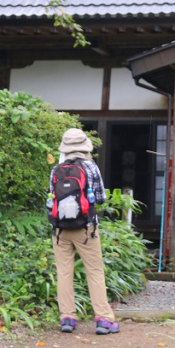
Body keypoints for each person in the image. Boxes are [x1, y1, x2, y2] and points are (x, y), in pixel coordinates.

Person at [49, 128, 119, 335]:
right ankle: (104, 319)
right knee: (95, 272)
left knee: (64, 272)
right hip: (86, 229)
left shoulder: (56, 170)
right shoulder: (91, 167)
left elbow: (50, 199)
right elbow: (100, 199)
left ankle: (67, 318)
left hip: (60, 229)